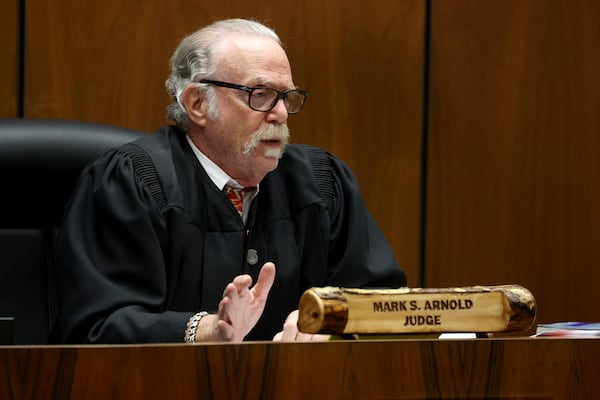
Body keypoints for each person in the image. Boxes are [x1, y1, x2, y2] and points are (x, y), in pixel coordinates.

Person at [51, 18, 406, 344]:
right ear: (197, 104)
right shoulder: (131, 184)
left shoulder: (321, 183)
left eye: (286, 97)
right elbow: (94, 329)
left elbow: (384, 304)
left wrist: (330, 321)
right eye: (260, 94)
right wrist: (204, 330)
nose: (280, 113)